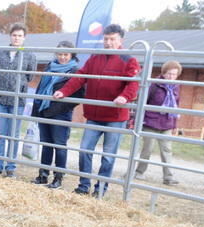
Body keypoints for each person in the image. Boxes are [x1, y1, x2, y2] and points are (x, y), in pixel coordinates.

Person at [53, 23, 140, 197]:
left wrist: (125, 97)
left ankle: (100, 189)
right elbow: (81, 77)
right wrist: (64, 91)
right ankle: (84, 185)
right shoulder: (96, 57)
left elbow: (134, 83)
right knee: (85, 149)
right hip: (94, 115)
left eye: (112, 39)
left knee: (108, 155)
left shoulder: (128, 59)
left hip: (115, 116)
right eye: (106, 39)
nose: (108, 43)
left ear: (120, 40)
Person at [31, 41, 83, 189]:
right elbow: (41, 88)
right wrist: (36, 109)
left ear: (72, 55)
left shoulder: (74, 71)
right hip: (44, 110)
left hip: (61, 113)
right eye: (60, 54)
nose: (62, 57)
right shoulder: (50, 67)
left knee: (59, 145)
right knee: (46, 144)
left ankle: (58, 178)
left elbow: (78, 95)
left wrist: (59, 108)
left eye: (66, 54)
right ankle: (43, 175)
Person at [0, 23, 36, 178]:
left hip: (18, 100)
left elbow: (30, 76)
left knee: (13, 134)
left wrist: (19, 85)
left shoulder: (29, 55)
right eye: (14, 35)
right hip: (1, 99)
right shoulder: (1, 53)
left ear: (24, 38)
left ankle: (10, 167)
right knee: (0, 133)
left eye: (20, 36)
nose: (17, 38)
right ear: (10, 36)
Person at [130, 60, 183, 186]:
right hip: (151, 122)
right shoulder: (154, 85)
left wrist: (175, 125)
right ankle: (140, 171)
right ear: (164, 73)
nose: (171, 77)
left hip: (167, 123)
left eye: (174, 74)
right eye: (169, 74)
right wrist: (137, 119)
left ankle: (168, 177)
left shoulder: (176, 87)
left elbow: (176, 106)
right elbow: (143, 101)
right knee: (147, 149)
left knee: (167, 150)